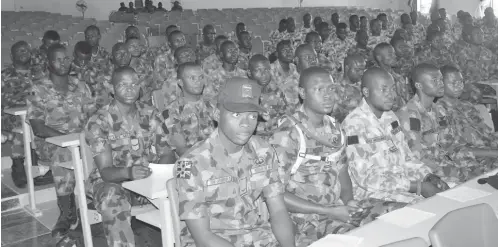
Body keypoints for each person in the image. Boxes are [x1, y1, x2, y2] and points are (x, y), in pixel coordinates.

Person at [270, 67, 407, 247]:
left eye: (331, 89)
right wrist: (329, 211)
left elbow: (343, 174)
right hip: (306, 220)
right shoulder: (288, 133)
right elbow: (276, 195)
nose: (328, 95)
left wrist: (349, 202)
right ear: (302, 93)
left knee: (400, 215)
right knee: (360, 240)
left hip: (337, 207)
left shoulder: (334, 128)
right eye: (319, 90)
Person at [176, 77, 296, 247]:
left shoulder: (264, 151)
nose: (246, 124)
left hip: (258, 238)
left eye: (252, 116)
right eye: (236, 114)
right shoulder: (191, 163)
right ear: (217, 115)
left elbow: (278, 210)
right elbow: (203, 237)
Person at [85, 66, 175, 247]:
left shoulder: (150, 114)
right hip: (114, 182)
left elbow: (167, 153)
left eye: (134, 84)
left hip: (147, 178)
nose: (130, 89)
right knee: (113, 199)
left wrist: (156, 174)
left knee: (187, 183)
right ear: (112, 89)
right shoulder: (99, 120)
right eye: (123, 85)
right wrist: (129, 172)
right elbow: (106, 172)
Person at [343, 67, 446, 203]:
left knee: (449, 193)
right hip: (373, 194)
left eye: (392, 89)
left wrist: (428, 176)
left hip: (403, 184)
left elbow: (407, 157)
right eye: (384, 89)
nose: (391, 95)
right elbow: (365, 178)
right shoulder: (354, 125)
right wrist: (417, 187)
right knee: (427, 206)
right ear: (366, 92)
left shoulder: (390, 117)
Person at [27, 44, 96, 242]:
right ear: (49, 62)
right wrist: (69, 141)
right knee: (64, 154)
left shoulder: (81, 86)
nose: (63, 62)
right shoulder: (38, 89)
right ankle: (67, 212)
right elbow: (38, 127)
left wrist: (88, 139)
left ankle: (92, 202)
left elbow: (93, 117)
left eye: (66, 58)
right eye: (58, 59)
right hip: (51, 142)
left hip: (82, 140)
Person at [397, 63, 488, 184]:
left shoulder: (438, 111)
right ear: (419, 85)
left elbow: (451, 145)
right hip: (430, 174)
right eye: (435, 81)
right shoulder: (409, 115)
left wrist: (472, 166)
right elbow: (418, 158)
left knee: (484, 173)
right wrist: (459, 172)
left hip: (449, 164)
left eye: (441, 80)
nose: (441, 84)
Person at [2, 41, 43, 188]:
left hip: (35, 114)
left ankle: (38, 166)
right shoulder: (5, 75)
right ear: (12, 56)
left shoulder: (39, 72)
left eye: (26, 50)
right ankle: (18, 165)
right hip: (12, 116)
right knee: (22, 124)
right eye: (19, 51)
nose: (24, 53)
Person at [162, 62, 216, 157]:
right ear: (180, 82)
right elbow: (181, 150)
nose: (198, 82)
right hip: (191, 161)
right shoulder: (172, 112)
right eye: (192, 78)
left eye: (201, 77)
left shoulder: (212, 105)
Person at [437, 65, 498, 148]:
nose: (459, 86)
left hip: (489, 149)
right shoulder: (439, 111)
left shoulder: (467, 106)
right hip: (472, 156)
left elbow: (487, 134)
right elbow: (450, 148)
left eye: (461, 82)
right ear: (441, 83)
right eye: (454, 83)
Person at [451, 25, 498, 104]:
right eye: (477, 34)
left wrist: (492, 80)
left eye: (481, 34)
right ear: (469, 37)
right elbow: (456, 77)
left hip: (488, 88)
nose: (480, 36)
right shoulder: (461, 54)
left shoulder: (489, 54)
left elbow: (495, 72)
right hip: (469, 89)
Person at [248, 55, 287, 135]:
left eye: (266, 70)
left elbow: (284, 116)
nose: (263, 74)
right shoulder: (245, 95)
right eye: (258, 70)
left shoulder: (277, 91)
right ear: (249, 73)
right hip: (254, 139)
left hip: (277, 136)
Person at [373, 43, 410, 111]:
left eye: (394, 54)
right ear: (379, 58)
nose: (394, 56)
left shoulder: (399, 77)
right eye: (390, 55)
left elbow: (406, 99)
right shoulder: (374, 79)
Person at [333, 54, 366, 122]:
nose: (361, 73)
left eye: (363, 70)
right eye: (357, 70)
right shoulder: (336, 89)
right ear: (347, 68)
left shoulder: (365, 83)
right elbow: (336, 118)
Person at [126, 37, 154, 104]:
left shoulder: (147, 64)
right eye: (132, 46)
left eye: (139, 45)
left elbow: (153, 85)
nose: (136, 48)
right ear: (125, 48)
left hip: (147, 102)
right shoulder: (122, 67)